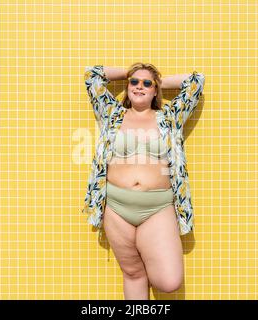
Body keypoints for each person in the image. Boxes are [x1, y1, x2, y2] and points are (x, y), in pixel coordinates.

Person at [82, 62, 205, 299]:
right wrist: (128, 73)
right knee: (133, 273)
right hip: (116, 208)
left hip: (157, 208)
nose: (140, 86)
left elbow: (195, 82)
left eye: (147, 83)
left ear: (155, 90)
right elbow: (92, 76)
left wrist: (158, 80)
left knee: (169, 281)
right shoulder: (112, 114)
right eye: (134, 82)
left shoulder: (169, 117)